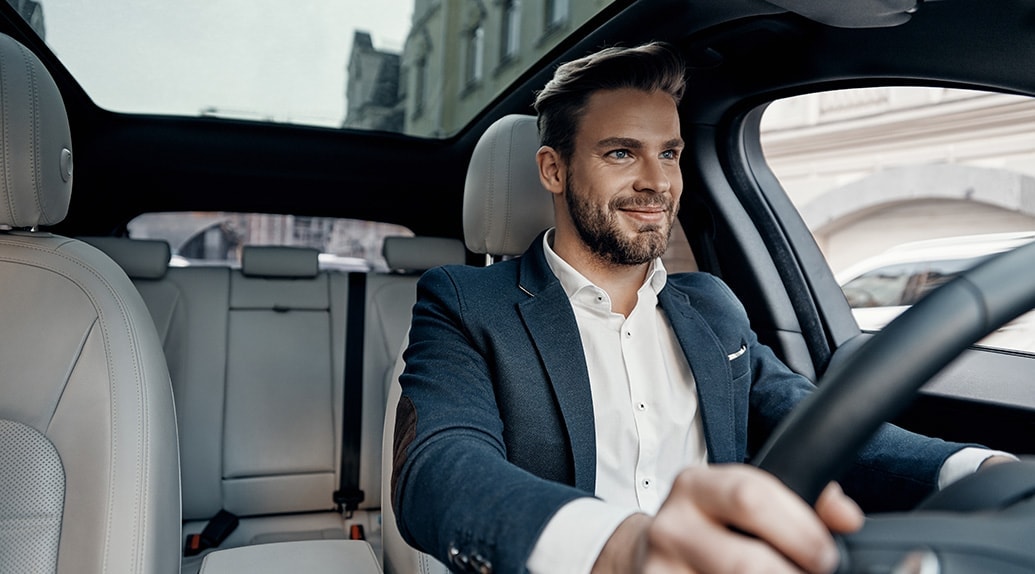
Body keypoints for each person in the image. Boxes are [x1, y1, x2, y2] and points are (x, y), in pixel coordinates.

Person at [391, 42, 1014, 574]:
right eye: (621, 153)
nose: (657, 182)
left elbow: (813, 420)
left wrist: (977, 469)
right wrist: (622, 549)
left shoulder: (711, 306)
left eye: (669, 153)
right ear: (554, 170)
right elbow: (440, 468)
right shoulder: (466, 302)